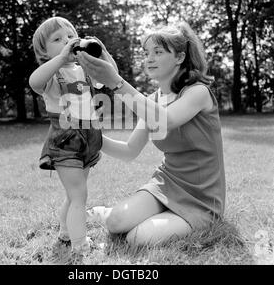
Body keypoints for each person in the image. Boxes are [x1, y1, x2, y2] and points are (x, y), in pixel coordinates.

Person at [78, 22, 226, 247]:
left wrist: (117, 83)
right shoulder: (153, 99)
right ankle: (104, 212)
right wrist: (90, 133)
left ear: (179, 57)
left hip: (202, 197)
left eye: (158, 52)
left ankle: (162, 218)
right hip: (167, 183)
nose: (149, 58)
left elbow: (166, 120)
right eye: (147, 53)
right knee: (116, 222)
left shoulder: (198, 92)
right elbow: (129, 151)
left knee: (137, 238)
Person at [29, 17, 117, 257]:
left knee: (73, 194)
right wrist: (60, 59)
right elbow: (34, 82)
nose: (67, 41)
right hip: (65, 142)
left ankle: (65, 235)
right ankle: (81, 246)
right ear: (44, 53)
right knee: (79, 195)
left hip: (88, 139)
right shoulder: (51, 76)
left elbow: (111, 77)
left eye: (70, 36)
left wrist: (102, 52)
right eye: (57, 39)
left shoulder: (85, 71)